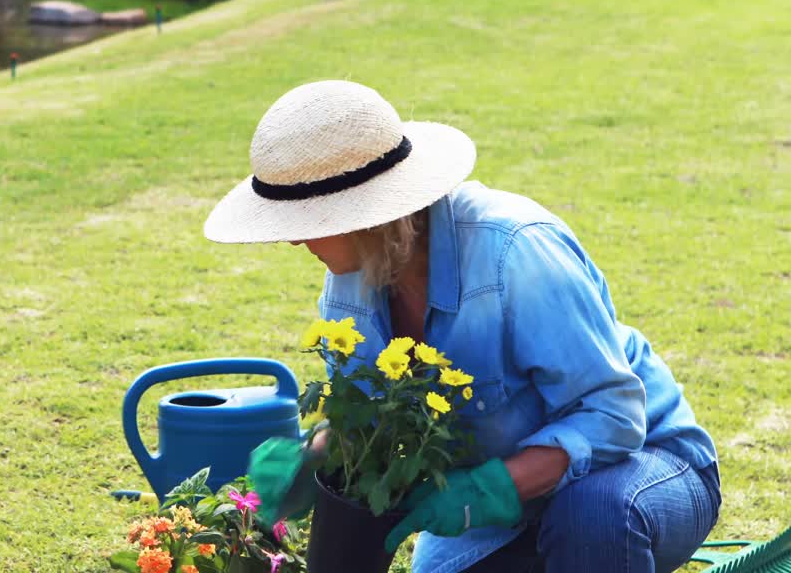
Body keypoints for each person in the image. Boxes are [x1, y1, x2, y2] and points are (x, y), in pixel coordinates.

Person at [204, 80, 721, 572]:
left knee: (592, 516)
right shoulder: (349, 286)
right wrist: (311, 457)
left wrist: (488, 491)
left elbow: (614, 416)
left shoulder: (514, 251)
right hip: (501, 513)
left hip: (642, 469)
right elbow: (370, 421)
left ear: (364, 215)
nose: (293, 242)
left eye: (303, 223)